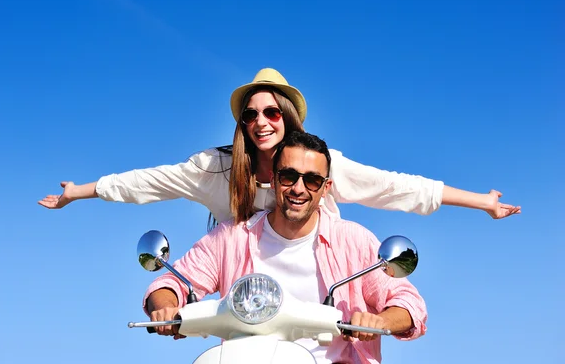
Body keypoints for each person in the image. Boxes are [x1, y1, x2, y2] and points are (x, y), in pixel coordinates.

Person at [38, 68, 521, 225]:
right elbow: (145, 182)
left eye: (271, 112)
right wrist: (77, 191)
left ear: (287, 118)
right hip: (248, 299)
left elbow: (393, 187)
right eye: (250, 114)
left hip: (317, 293)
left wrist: (482, 202)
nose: (260, 121)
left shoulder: (317, 164)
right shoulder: (215, 169)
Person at [144, 131, 427, 363]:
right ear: (274, 179)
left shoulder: (352, 241)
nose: (298, 189)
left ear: (325, 187)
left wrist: (379, 320)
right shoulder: (232, 237)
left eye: (312, 180)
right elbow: (172, 281)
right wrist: (166, 308)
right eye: (289, 176)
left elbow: (408, 304)